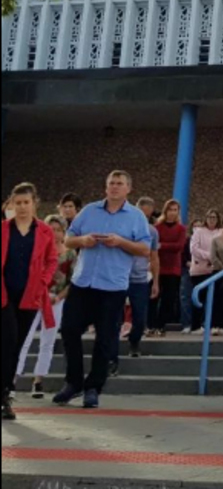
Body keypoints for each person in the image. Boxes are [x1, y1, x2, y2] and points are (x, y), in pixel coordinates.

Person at [54, 171, 153, 409]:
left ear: (128, 188)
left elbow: (144, 249)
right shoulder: (89, 210)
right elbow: (68, 239)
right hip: (83, 282)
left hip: (112, 286)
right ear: (105, 187)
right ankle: (73, 382)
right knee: (68, 330)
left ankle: (93, 387)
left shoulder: (136, 217)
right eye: (111, 183)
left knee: (106, 339)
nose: (115, 187)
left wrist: (120, 242)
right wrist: (83, 240)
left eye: (120, 184)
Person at [2, 184, 59, 420]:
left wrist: (43, 281)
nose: (23, 207)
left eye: (26, 202)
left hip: (29, 296)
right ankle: (4, 393)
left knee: (16, 345)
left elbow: (52, 260)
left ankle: (6, 393)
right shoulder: (4, 229)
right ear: (12, 204)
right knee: (8, 339)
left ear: (34, 203)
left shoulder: (44, 232)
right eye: (18, 203)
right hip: (4, 296)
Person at [17, 215, 76, 400]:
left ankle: (38, 379)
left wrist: (59, 297)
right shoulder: (37, 249)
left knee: (47, 340)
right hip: (34, 297)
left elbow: (72, 281)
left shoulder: (70, 253)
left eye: (58, 230)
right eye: (51, 229)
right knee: (23, 338)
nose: (55, 233)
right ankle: (13, 377)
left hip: (55, 300)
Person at [111, 197, 160, 373]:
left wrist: (155, 281)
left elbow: (154, 256)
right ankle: (112, 358)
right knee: (114, 318)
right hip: (118, 277)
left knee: (140, 316)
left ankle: (134, 341)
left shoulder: (152, 231)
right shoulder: (122, 227)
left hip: (139, 279)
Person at [149, 200, 186, 336]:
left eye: (175, 210)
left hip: (173, 269)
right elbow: (152, 245)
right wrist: (161, 246)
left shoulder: (181, 229)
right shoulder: (157, 228)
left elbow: (179, 247)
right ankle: (151, 325)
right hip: (157, 267)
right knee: (153, 298)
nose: (172, 212)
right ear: (165, 211)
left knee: (168, 299)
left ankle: (161, 326)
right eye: (170, 209)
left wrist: (161, 246)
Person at [188, 209, 222, 334]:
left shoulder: (221, 232)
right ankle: (196, 326)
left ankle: (214, 325)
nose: (212, 219)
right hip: (200, 270)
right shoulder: (198, 232)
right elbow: (194, 249)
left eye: (214, 217)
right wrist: (210, 256)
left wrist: (215, 259)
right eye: (209, 217)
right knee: (199, 298)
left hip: (216, 269)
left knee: (215, 299)